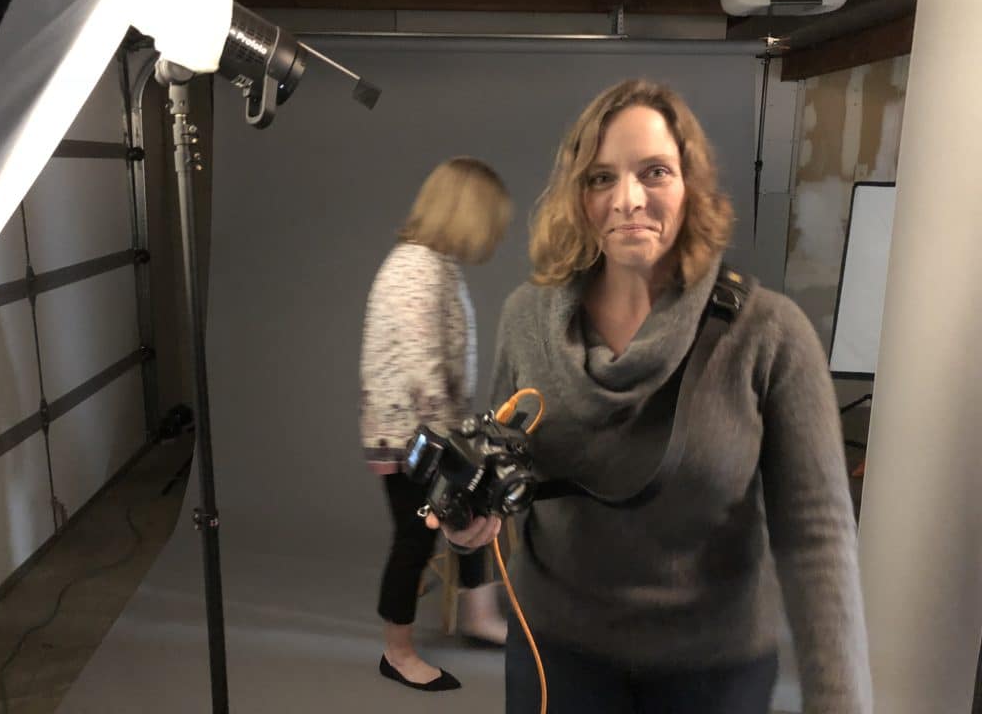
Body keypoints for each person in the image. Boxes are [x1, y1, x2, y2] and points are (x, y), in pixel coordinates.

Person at [431, 80, 872, 713]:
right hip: (558, 657)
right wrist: (473, 525)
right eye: (601, 178)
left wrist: (841, 702)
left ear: (690, 185)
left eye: (655, 171)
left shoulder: (767, 335)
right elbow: (508, 480)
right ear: (578, 197)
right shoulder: (526, 320)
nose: (627, 199)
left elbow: (818, 537)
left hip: (713, 671)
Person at [360, 156, 513, 692]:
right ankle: (396, 653)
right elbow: (424, 372)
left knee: (476, 507)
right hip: (408, 438)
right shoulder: (414, 269)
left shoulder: (436, 265)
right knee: (416, 536)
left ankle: (479, 614)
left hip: (429, 429)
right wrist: (459, 448)